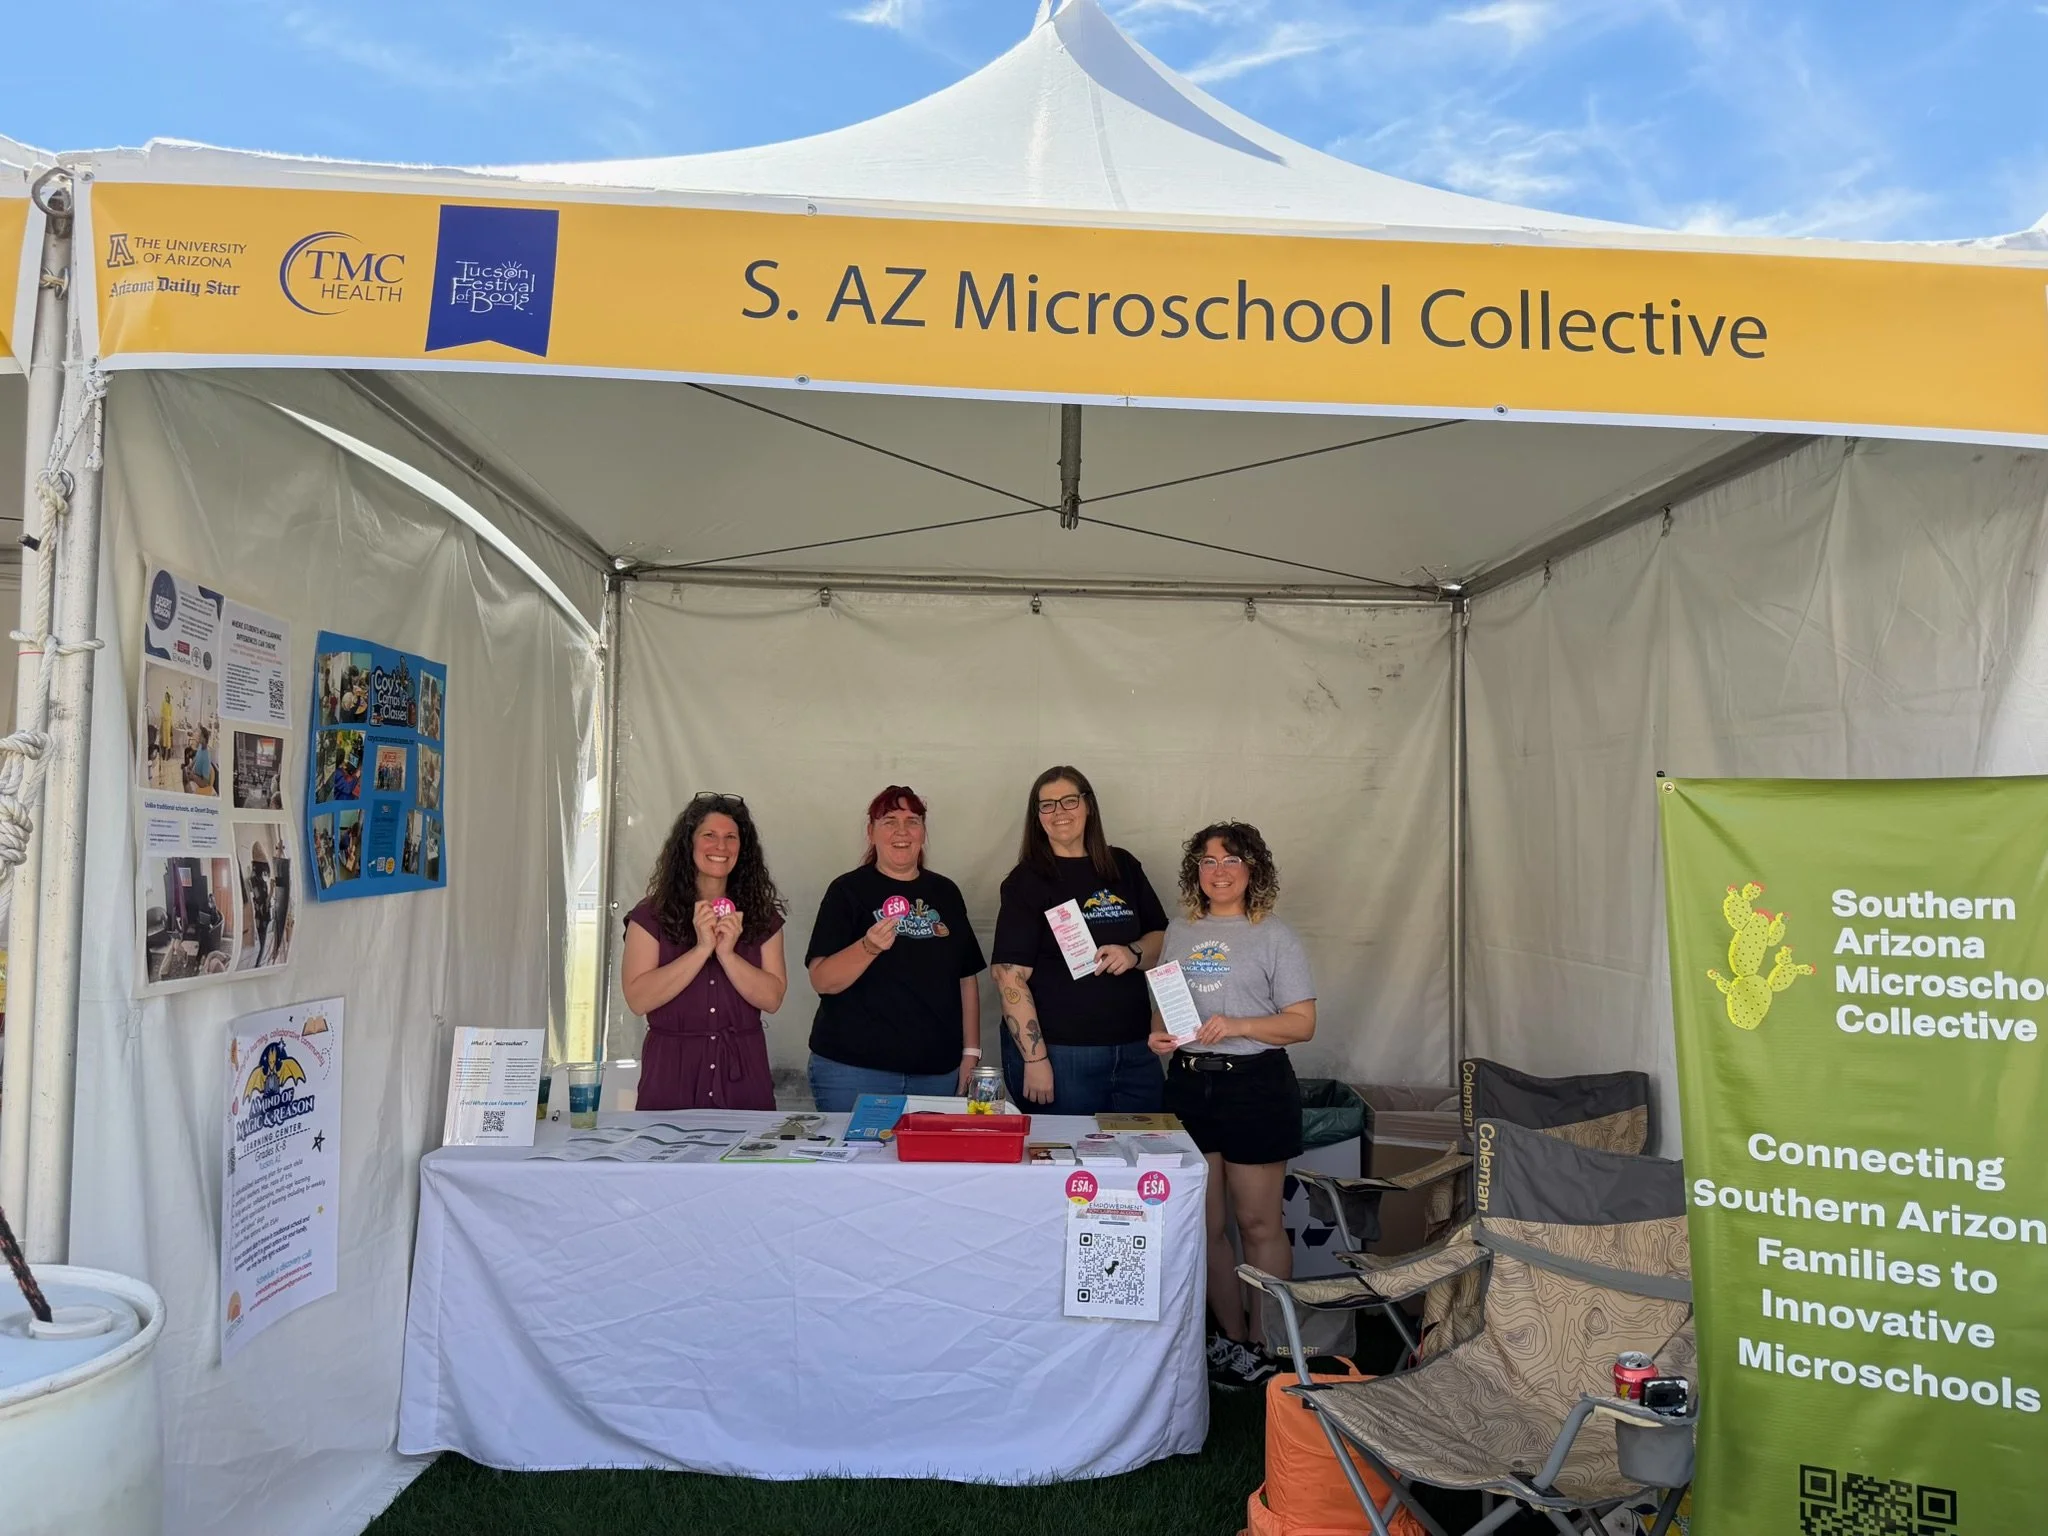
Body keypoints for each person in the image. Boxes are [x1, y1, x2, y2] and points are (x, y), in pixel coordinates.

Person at [1148, 821, 1316, 1390]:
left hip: (1255, 1085)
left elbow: (1302, 1022)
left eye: (1231, 860)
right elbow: (1167, 1009)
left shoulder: (1274, 936)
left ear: (1253, 870)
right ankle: (1231, 1340)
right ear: (1196, 872)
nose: (1219, 871)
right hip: (1190, 1086)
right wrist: (1158, 1035)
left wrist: (1238, 1025)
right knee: (1208, 1224)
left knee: (1259, 1221)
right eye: (1208, 861)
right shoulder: (1179, 931)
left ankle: (1271, 1346)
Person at [991, 766, 1169, 1114]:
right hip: (1063, 1054)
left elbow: (1162, 937)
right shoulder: (1026, 881)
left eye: (1069, 801)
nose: (1059, 812)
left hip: (1135, 1049)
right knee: (1070, 1164)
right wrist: (1035, 1058)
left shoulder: (1123, 866)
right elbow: (1009, 976)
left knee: (1142, 1161)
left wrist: (1133, 952)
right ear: (1037, 816)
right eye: (1047, 805)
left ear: (1089, 805)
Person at [806, 785, 986, 1111]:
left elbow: (966, 977)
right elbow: (822, 980)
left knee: (927, 1163)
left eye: (912, 821)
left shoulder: (945, 892)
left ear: (923, 832)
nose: (902, 831)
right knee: (855, 1161)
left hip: (936, 1073)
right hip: (853, 1071)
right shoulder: (847, 891)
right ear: (871, 832)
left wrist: (971, 1052)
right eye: (889, 821)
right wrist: (868, 947)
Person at [621, 793, 788, 1112]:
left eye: (731, 837)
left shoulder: (762, 917)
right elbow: (639, 999)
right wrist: (702, 949)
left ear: (743, 848)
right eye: (709, 835)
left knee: (745, 1159)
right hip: (671, 1074)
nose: (720, 847)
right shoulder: (651, 915)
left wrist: (727, 954)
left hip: (743, 1076)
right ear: (689, 844)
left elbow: (772, 999)